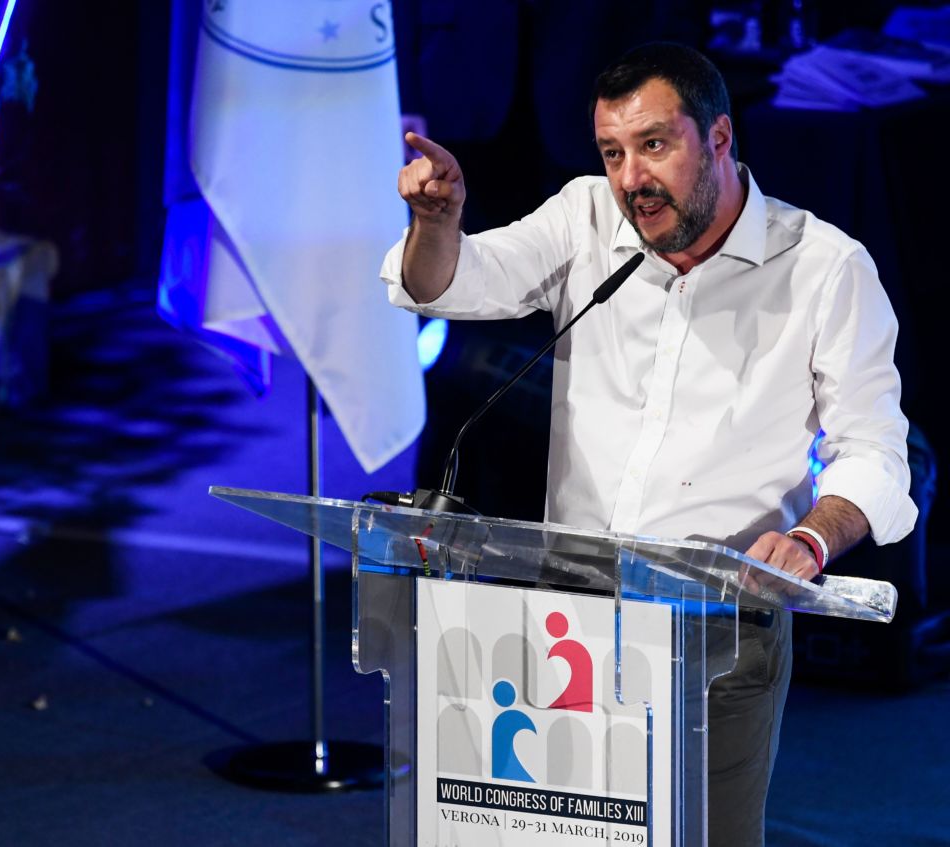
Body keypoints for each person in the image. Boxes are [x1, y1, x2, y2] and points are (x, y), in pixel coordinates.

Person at [380, 42, 917, 847]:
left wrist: (810, 537)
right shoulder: (585, 217)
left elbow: (877, 452)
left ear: (721, 140)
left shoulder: (825, 268)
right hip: (568, 619)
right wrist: (437, 221)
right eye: (612, 152)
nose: (630, 177)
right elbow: (448, 282)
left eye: (655, 144)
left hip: (718, 624)